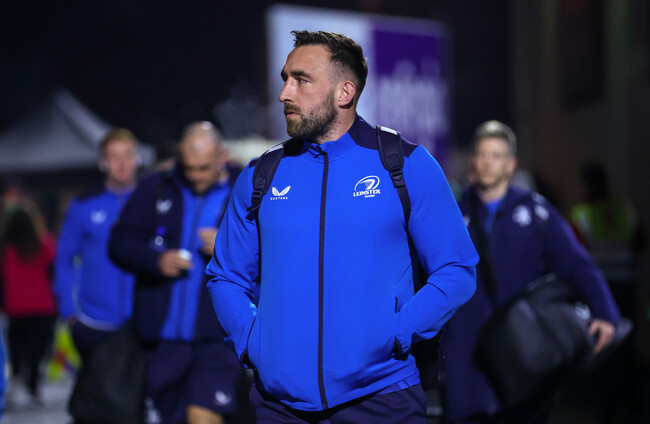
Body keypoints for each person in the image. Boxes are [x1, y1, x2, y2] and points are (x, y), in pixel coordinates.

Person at [205, 30, 478, 424]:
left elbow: (456, 269)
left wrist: (398, 332)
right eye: (285, 79)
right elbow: (225, 276)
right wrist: (253, 341)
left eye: (301, 80)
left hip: (382, 398)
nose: (284, 93)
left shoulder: (405, 164)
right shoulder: (261, 175)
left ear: (344, 92)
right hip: (279, 406)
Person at [443, 120, 621, 423]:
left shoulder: (536, 212)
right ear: (472, 160)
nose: (488, 162)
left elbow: (577, 264)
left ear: (511, 164)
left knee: (523, 414)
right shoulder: (452, 212)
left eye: (497, 155)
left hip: (521, 343)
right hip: (467, 344)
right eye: (482, 155)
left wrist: (605, 313)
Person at [109, 122, 243, 424]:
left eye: (203, 168)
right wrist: (155, 260)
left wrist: (230, 246)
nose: (195, 175)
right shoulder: (155, 186)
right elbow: (119, 242)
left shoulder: (248, 189)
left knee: (203, 414)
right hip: (163, 339)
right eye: (189, 167)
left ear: (222, 156)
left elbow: (275, 251)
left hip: (218, 337)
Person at [53, 128, 139, 365]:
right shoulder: (84, 204)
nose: (122, 163)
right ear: (103, 162)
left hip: (141, 321)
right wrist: (69, 311)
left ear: (137, 159)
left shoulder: (152, 201)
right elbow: (64, 258)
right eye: (114, 156)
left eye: (127, 155)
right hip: (94, 321)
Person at [0, 204, 57, 406]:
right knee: (37, 349)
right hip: (42, 305)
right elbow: (55, 270)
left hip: (15, 307)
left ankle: (16, 380)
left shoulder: (6, 250)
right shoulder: (44, 245)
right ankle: (33, 385)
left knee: (16, 347)